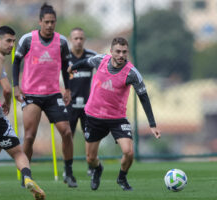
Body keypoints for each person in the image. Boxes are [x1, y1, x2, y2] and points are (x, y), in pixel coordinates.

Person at [68, 37, 161, 191]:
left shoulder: (132, 73)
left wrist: (152, 124)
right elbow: (86, 62)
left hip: (117, 119)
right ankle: (97, 169)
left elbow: (143, 97)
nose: (121, 55)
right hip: (93, 116)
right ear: (111, 52)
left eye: (124, 52)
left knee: (128, 152)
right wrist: (73, 68)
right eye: (117, 51)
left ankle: (122, 178)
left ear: (127, 53)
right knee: (90, 158)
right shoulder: (100, 61)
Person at [12, 3, 77, 187]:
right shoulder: (28, 39)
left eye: (53, 22)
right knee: (30, 136)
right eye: (46, 22)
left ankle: (69, 172)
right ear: (40, 21)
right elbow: (16, 62)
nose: (49, 25)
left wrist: (68, 89)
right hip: (31, 94)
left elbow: (66, 66)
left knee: (66, 131)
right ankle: (27, 175)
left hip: (53, 94)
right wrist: (16, 87)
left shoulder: (62, 42)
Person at [0, 26, 45, 200]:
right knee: (18, 152)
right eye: (8, 41)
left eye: (14, 41)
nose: (12, 45)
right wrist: (8, 103)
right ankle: (27, 177)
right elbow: (6, 89)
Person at [67, 27, 96, 176]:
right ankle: (68, 169)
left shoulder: (91, 56)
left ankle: (91, 166)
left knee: (89, 136)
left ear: (84, 40)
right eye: (75, 38)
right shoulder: (65, 57)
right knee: (68, 137)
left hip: (88, 106)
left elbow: (102, 70)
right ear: (71, 40)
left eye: (81, 38)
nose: (78, 41)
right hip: (70, 105)